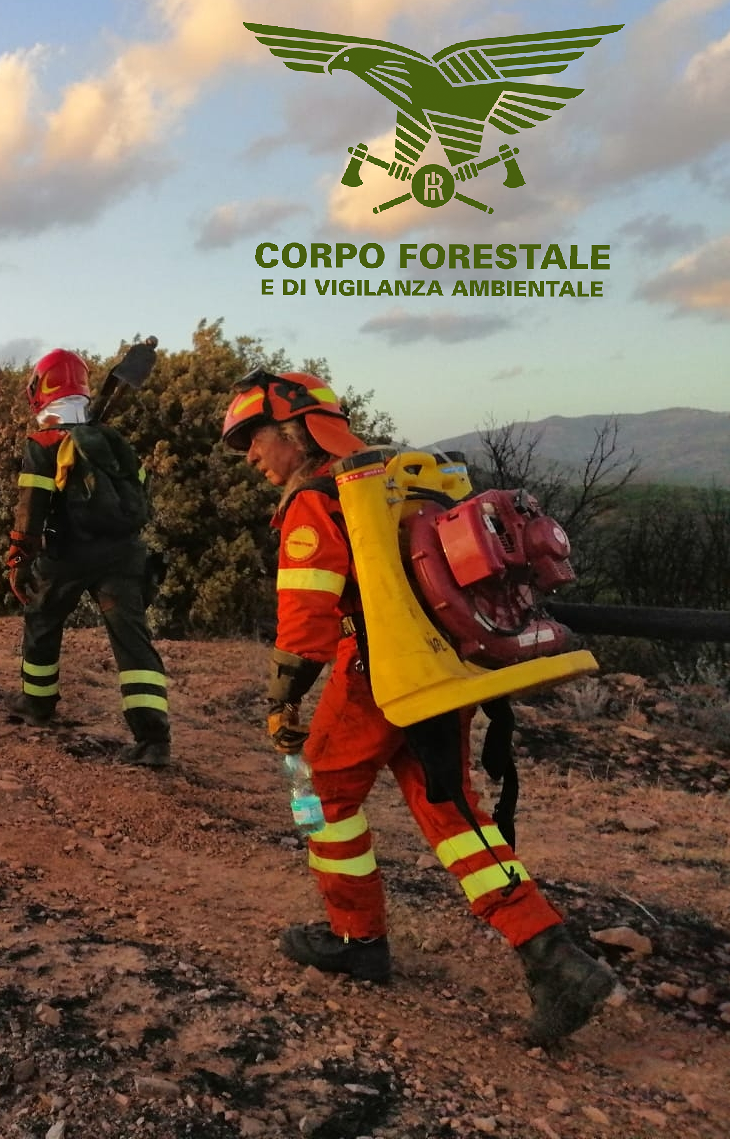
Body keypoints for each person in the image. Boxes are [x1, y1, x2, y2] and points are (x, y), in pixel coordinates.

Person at [221, 366, 616, 1046]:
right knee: (450, 810)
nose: (250, 456)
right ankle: (553, 955)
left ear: (293, 429)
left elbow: (308, 619)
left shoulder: (317, 499)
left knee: (323, 790)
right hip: (441, 669)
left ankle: (357, 938)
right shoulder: (396, 481)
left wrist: (281, 700)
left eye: (253, 438)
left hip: (376, 672)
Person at [5, 348, 171, 767]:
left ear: (39, 389)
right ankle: (154, 740)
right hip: (123, 555)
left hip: (66, 555)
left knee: (43, 620)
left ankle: (37, 705)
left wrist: (20, 559)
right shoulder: (113, 441)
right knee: (132, 642)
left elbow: (31, 510)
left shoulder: (44, 442)